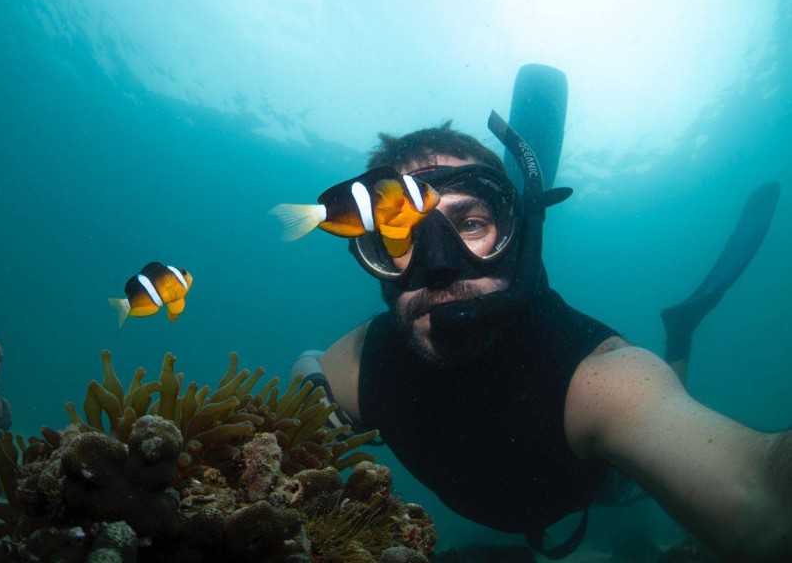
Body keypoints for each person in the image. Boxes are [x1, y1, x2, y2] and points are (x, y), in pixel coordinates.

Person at [289, 110, 791, 560]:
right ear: (372, 257)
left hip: (598, 487)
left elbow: (760, 493)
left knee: (631, 491)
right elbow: (307, 367)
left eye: (470, 224)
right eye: (400, 234)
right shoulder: (361, 363)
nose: (438, 267)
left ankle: (680, 335)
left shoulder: (601, 380)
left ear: (517, 237)